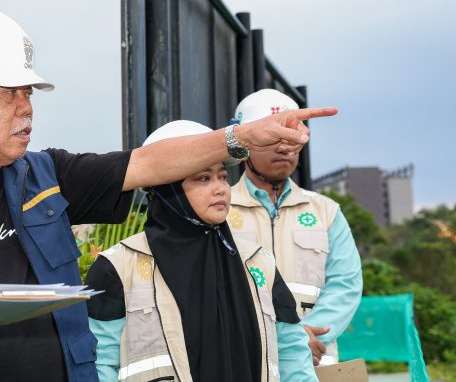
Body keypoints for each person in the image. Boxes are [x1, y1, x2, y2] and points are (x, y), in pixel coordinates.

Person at [0, 8, 336, 381]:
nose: (26, 108)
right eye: (8, 94)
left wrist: (240, 139)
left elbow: (149, 162)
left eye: (28, 93)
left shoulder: (50, 176)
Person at [86, 120, 316, 382]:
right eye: (203, 178)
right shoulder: (117, 268)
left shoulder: (257, 263)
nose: (220, 189)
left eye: (223, 177)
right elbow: (98, 365)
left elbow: (293, 357)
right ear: (165, 185)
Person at [228, 88, 362, 366]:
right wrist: (286, 339)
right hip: (246, 357)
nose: (284, 148)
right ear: (244, 143)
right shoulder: (220, 211)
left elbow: (346, 284)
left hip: (314, 359)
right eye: (273, 138)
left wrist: (304, 338)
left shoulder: (326, 212)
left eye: (292, 138)